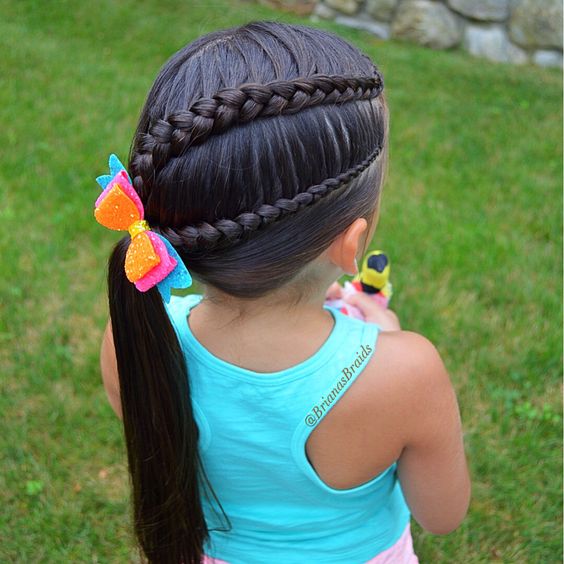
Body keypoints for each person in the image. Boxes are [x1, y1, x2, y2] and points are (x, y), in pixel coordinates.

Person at [97, 20, 471, 564]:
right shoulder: (406, 374)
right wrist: (385, 338)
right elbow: (442, 515)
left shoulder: (133, 336)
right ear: (352, 244)